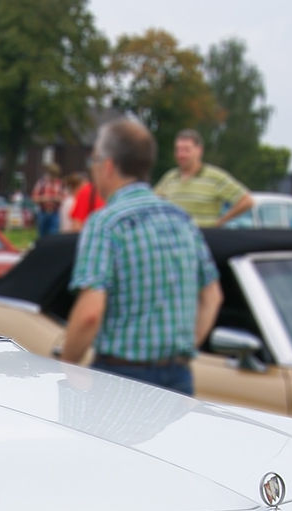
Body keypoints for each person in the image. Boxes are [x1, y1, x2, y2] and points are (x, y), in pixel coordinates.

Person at [60, 117, 223, 396]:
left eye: (95, 160)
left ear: (108, 166)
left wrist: (67, 366)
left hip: (122, 376)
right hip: (179, 376)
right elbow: (212, 297)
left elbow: (90, 314)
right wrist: (185, 347)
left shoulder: (106, 223)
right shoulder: (182, 220)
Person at [155, 128, 254, 227]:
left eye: (186, 150)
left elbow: (246, 201)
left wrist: (221, 221)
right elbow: (152, 202)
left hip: (205, 239)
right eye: (178, 150)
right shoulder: (169, 178)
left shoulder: (215, 177)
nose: (181, 155)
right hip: (176, 240)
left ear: (199, 150)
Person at [31, 162, 64, 238]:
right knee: (42, 235)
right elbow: (34, 198)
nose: (54, 178)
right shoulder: (41, 183)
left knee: (53, 235)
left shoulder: (60, 183)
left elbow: (64, 198)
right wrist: (44, 198)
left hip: (55, 213)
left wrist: (58, 199)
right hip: (43, 212)